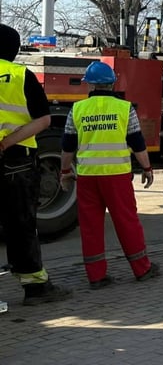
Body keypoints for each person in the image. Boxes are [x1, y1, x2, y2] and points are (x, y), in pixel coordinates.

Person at [59, 61, 159, 289]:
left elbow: (67, 147)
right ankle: (142, 268)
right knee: (127, 222)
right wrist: (147, 168)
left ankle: (96, 276)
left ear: (90, 85)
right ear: (112, 84)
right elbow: (137, 143)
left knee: (91, 226)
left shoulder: (77, 110)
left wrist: (65, 172)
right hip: (117, 177)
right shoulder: (125, 109)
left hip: (87, 177)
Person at [0, 24, 73, 306]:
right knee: (20, 225)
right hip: (14, 162)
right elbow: (43, 120)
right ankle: (35, 288)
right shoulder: (20, 76)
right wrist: (6, 143)